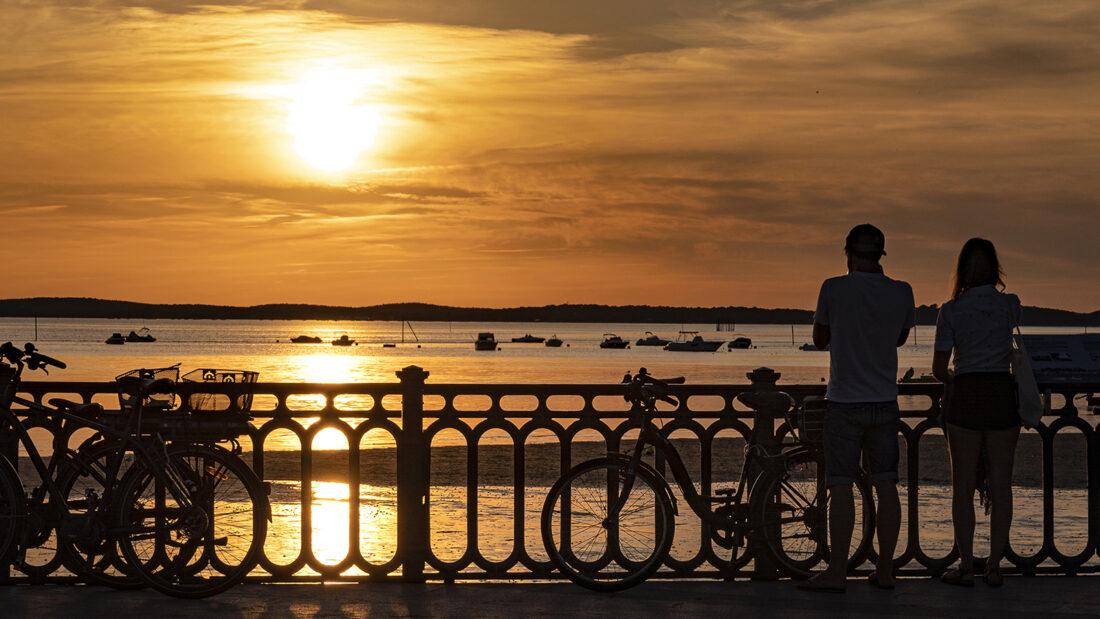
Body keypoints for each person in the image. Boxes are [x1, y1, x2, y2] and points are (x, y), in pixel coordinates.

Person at [801, 224, 915, 593]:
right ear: (881, 255)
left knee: (840, 487)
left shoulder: (833, 288)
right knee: (886, 485)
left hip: (844, 401)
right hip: (884, 400)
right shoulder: (902, 292)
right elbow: (899, 337)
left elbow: (820, 340)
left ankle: (837, 572)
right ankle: (884, 570)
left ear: (847, 253)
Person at [932, 238, 1021, 588]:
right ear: (995, 268)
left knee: (963, 487)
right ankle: (995, 566)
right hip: (1001, 395)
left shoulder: (950, 310)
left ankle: (966, 564)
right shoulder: (1010, 305)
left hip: (966, 395)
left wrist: (956, 375)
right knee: (1002, 486)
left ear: (962, 269)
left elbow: (940, 369)